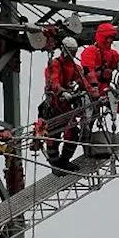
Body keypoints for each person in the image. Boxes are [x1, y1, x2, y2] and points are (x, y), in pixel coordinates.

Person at [79, 22, 119, 143]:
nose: (109, 41)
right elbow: (88, 71)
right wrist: (94, 90)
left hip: (105, 90)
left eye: (111, 38)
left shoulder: (110, 54)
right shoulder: (90, 51)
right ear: (101, 37)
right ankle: (86, 144)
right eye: (107, 37)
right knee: (89, 118)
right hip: (90, 91)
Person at [36, 36, 85, 173]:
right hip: (54, 106)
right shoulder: (55, 64)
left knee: (73, 132)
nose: (73, 54)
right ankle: (55, 164)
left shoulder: (75, 67)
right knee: (53, 135)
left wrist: (93, 92)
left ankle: (64, 161)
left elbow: (82, 81)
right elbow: (53, 81)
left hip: (66, 107)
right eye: (71, 51)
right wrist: (62, 92)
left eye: (74, 51)